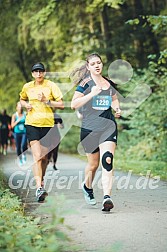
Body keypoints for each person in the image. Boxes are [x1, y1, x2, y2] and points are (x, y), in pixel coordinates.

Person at [71, 53, 121, 212]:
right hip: (89, 128)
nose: (97, 65)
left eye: (99, 62)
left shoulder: (108, 83)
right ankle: (87, 186)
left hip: (108, 126)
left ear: (102, 64)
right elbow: (73, 104)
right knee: (93, 164)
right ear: (88, 67)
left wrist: (117, 108)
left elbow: (114, 99)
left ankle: (107, 197)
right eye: (93, 64)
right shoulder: (85, 83)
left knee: (107, 159)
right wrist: (92, 93)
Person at [20, 62, 64, 202]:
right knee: (37, 156)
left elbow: (61, 104)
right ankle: (39, 187)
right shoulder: (27, 87)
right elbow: (21, 99)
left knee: (44, 158)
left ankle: (41, 180)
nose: (38, 74)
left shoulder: (51, 86)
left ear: (44, 73)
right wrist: (26, 104)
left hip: (47, 125)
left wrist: (47, 101)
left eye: (41, 71)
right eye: (36, 71)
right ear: (32, 74)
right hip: (31, 124)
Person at [11, 102, 27, 166]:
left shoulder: (25, 114)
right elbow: (12, 126)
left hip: (24, 132)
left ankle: (24, 155)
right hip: (17, 133)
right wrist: (17, 121)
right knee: (18, 148)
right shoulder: (14, 115)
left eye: (21, 107)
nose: (20, 108)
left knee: (23, 145)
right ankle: (20, 160)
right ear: (16, 108)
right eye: (19, 107)